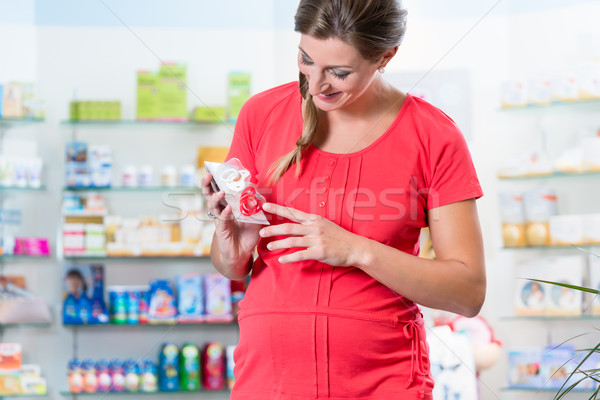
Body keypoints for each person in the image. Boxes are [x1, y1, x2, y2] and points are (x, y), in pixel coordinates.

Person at [201, 1, 486, 398]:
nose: (316, 85)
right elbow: (233, 268)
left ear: (386, 57)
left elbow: (468, 292)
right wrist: (232, 244)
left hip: (383, 384)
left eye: (339, 72)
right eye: (306, 60)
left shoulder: (433, 136)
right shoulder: (261, 114)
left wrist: (354, 249)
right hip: (266, 381)